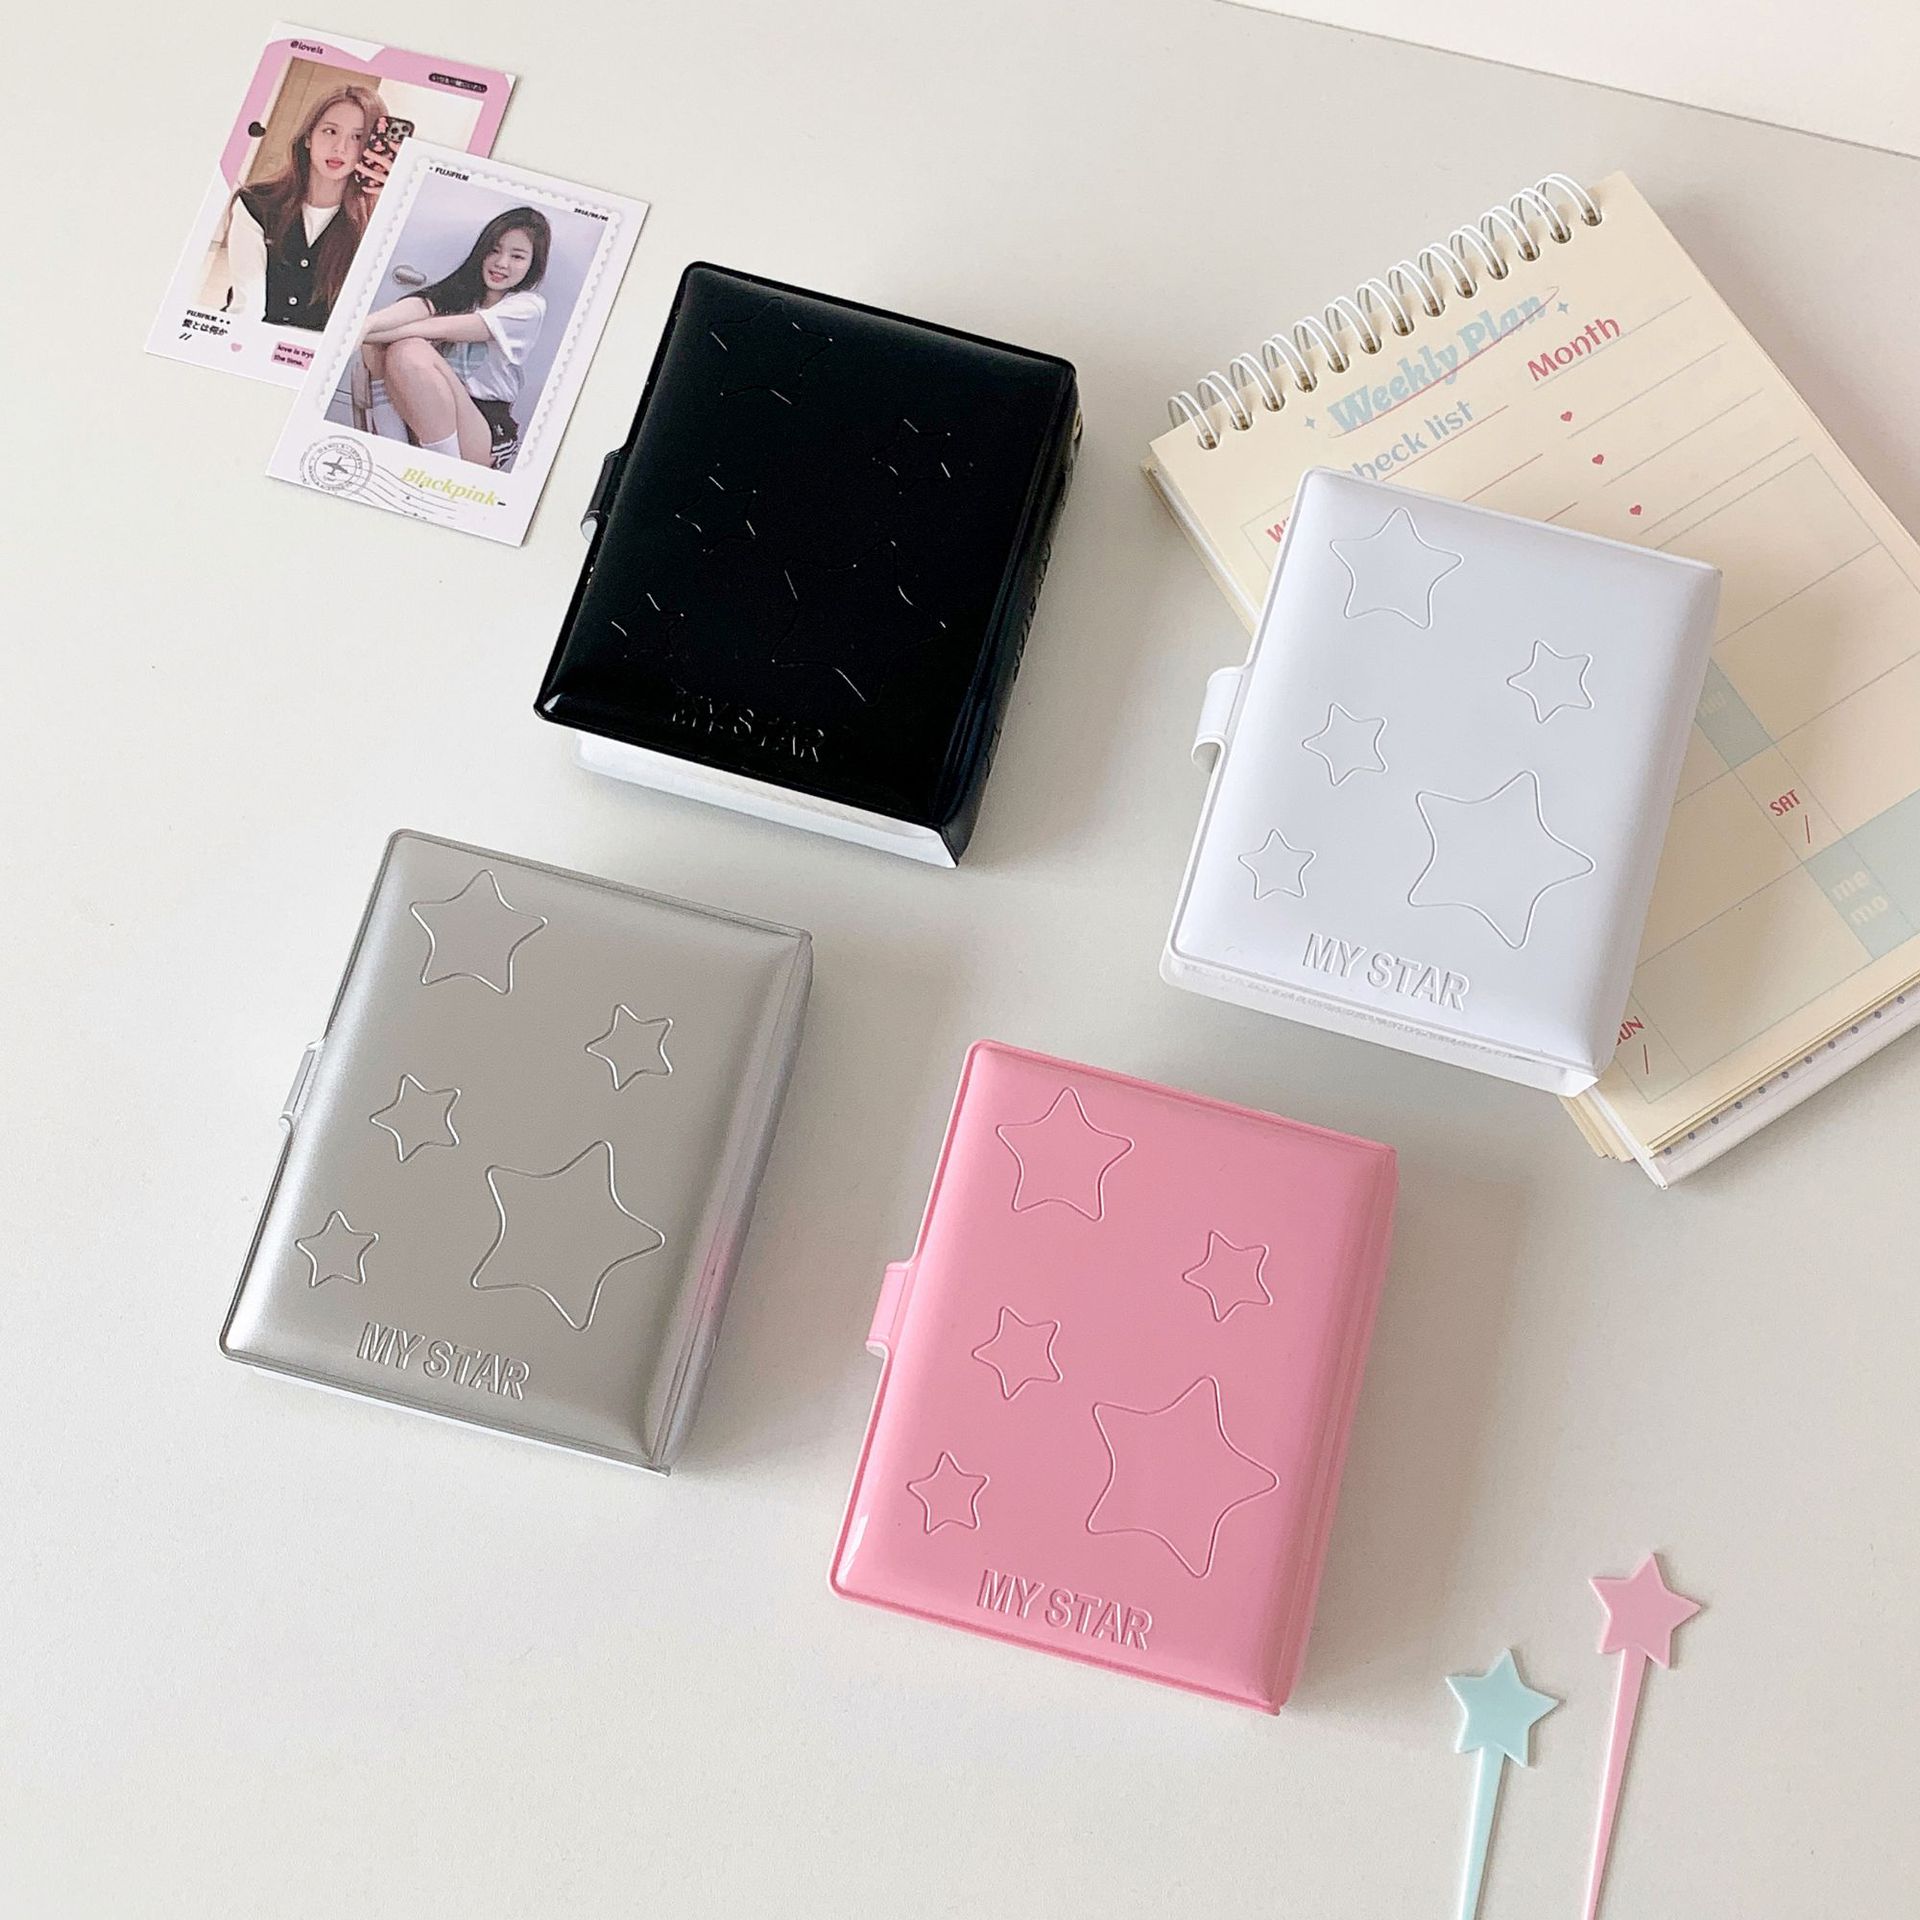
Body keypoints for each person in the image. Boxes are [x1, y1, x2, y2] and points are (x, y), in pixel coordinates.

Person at [355, 207, 551, 469]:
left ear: (533, 264)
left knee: (409, 349)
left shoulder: (527, 307)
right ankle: (392, 450)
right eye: (494, 250)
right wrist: (368, 325)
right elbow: (419, 305)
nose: (502, 263)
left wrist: (365, 332)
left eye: (517, 256)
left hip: (484, 427)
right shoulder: (463, 292)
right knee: (376, 346)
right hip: (431, 408)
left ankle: (441, 473)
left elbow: (441, 328)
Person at [222, 84, 386, 331]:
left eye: (357, 137)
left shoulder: (378, 222)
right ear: (309, 137)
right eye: (330, 131)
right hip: (252, 336)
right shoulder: (256, 203)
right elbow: (248, 305)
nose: (340, 148)